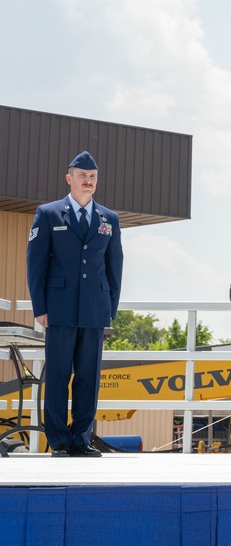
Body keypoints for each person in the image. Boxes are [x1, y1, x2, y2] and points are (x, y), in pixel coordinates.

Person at [26, 151, 124, 458]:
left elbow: (114, 265)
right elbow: (35, 264)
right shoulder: (49, 213)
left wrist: (111, 309)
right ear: (69, 179)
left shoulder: (109, 218)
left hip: (95, 310)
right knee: (57, 374)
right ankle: (59, 441)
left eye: (93, 177)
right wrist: (39, 307)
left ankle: (82, 438)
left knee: (88, 376)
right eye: (82, 176)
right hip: (59, 309)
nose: (88, 181)